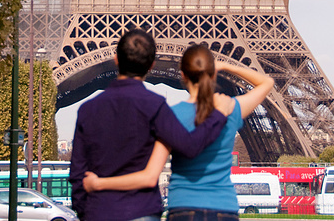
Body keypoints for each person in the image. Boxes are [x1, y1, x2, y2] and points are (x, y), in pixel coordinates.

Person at [83, 44, 274, 221]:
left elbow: (149, 176)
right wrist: (227, 66)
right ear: (211, 73)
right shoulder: (229, 107)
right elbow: (266, 82)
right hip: (224, 208)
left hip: (184, 207)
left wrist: (98, 183)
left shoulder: (169, 115)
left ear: (182, 74)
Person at [70, 30, 234, 221]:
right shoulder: (155, 105)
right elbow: (190, 146)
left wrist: (86, 211)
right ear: (152, 65)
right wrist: (219, 115)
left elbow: (77, 172)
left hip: (99, 210)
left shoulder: (88, 110)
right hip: (141, 210)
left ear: (116, 59)